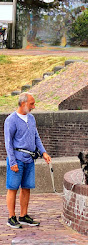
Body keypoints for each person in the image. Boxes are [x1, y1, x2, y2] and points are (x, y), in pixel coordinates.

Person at [4, 92, 51, 229]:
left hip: (29, 159)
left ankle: (23, 216)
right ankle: (11, 217)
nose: (34, 106)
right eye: (31, 104)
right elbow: (8, 143)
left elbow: (36, 136)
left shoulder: (31, 118)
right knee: (12, 188)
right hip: (17, 159)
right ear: (23, 103)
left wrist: (43, 152)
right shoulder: (11, 120)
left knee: (26, 188)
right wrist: (12, 162)